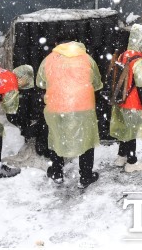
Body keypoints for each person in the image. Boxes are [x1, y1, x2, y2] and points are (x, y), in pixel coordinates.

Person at [36, 40, 102, 188]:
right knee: (86, 140)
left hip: (56, 106)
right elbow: (97, 83)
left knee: (56, 138)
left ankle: (57, 173)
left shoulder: (49, 59)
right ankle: (85, 176)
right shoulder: (86, 58)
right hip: (82, 107)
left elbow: (40, 83)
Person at [110, 24, 142, 173]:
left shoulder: (124, 55)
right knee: (132, 133)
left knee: (124, 129)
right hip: (133, 101)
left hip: (121, 100)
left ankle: (121, 156)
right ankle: (132, 162)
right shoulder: (139, 60)